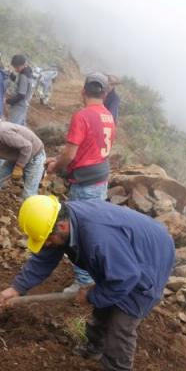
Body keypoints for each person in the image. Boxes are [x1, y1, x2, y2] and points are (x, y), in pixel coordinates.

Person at [0, 195, 175, 371]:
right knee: (105, 300)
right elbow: (45, 255)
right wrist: (17, 288)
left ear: (62, 227)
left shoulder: (98, 238)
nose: (46, 244)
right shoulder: (60, 221)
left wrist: (91, 295)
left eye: (47, 239)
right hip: (124, 256)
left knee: (122, 320)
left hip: (150, 258)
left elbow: (126, 277)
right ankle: (95, 346)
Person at [45, 72, 116, 294]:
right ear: (105, 93)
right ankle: (95, 273)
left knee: (79, 230)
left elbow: (70, 154)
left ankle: (84, 280)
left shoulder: (82, 116)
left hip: (85, 182)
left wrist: (56, 165)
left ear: (83, 91)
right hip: (101, 177)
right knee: (93, 226)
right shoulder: (109, 117)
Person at [5, 54, 34, 125]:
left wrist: (8, 101)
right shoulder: (27, 72)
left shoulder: (23, 75)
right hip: (24, 105)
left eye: (17, 67)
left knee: (13, 127)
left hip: (19, 106)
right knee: (21, 126)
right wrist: (11, 75)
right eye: (14, 67)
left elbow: (21, 95)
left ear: (23, 64)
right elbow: (19, 83)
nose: (16, 69)